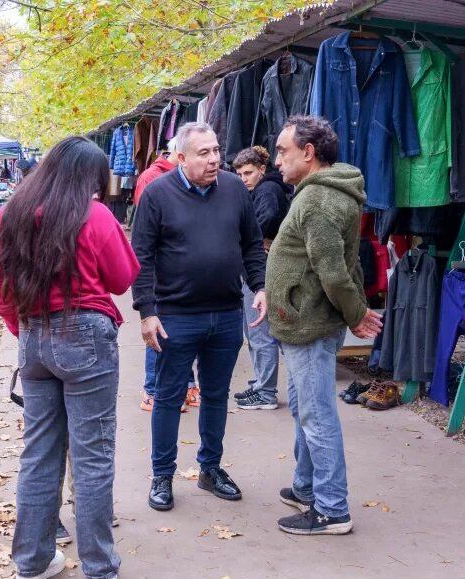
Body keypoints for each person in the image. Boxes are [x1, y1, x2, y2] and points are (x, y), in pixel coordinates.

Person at [0, 136, 139, 579]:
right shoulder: (94, 217)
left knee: (39, 452)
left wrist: (26, 332)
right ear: (87, 178)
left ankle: (32, 562)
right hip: (86, 337)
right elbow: (122, 278)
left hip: (33, 337)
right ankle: (99, 568)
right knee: (92, 456)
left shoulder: (8, 217)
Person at [131, 122, 267, 512]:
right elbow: (141, 257)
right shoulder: (157, 194)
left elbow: (251, 244)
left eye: (216, 151)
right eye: (203, 153)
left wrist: (259, 287)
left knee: (216, 395)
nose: (213, 159)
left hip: (225, 315)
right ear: (182, 157)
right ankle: (162, 475)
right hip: (175, 316)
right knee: (168, 397)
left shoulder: (235, 190)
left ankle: (210, 468)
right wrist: (147, 312)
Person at [266, 116, 382, 536]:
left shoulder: (317, 201)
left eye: (283, 150)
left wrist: (357, 315)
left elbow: (333, 272)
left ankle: (332, 509)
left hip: (310, 324)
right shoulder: (320, 192)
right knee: (304, 408)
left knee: (316, 415)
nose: (276, 159)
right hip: (305, 320)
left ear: (308, 152)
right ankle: (306, 486)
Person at [132, 138, 199, 412]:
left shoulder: (189, 180)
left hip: (186, 274)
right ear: (181, 155)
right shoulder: (152, 180)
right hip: (162, 272)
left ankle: (186, 387)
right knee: (159, 330)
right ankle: (153, 390)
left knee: (183, 332)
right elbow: (145, 234)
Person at [232, 146, 292, 411]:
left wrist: (248, 237)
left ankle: (265, 391)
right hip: (263, 262)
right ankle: (261, 384)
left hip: (262, 264)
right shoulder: (267, 189)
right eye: (240, 174)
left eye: (248, 173)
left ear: (261, 170)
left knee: (259, 328)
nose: (244, 179)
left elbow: (266, 219)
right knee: (257, 328)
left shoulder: (267, 190)